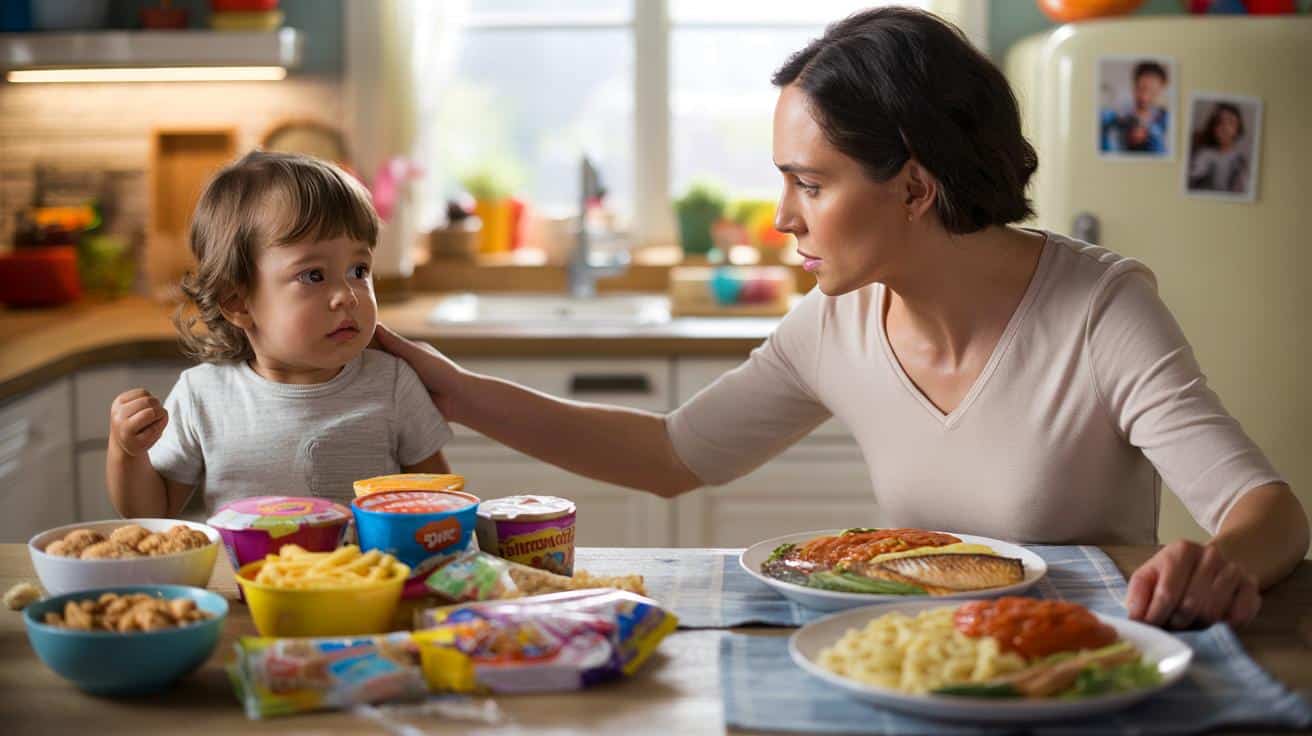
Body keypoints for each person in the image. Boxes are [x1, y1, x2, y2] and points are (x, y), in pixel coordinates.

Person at [376, 8, 1307, 631]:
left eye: (809, 184)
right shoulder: (837, 324)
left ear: (912, 187)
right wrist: (459, 394)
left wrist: (1218, 563)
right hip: (911, 667)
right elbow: (669, 455)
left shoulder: (1101, 309)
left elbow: (1268, 514)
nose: (783, 217)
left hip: (1074, 673)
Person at [108, 151, 453, 517]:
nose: (347, 296)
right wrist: (126, 451)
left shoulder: (392, 383)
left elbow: (441, 506)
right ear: (238, 302)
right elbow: (152, 515)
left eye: (358, 269)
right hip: (242, 576)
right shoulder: (202, 397)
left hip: (368, 575)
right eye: (314, 275)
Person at [1100, 61, 1170, 154]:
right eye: (1141, 88)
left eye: (1153, 92)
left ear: (1161, 91)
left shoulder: (1166, 120)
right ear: (1133, 86)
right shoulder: (1115, 116)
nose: (1145, 97)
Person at [1187, 102, 1250, 194]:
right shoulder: (1204, 155)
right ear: (1213, 128)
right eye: (1219, 122)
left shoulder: (1240, 159)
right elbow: (1193, 180)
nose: (1225, 127)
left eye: (1231, 122)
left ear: (1238, 128)